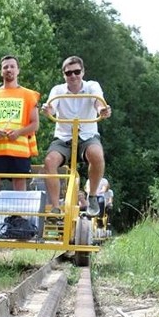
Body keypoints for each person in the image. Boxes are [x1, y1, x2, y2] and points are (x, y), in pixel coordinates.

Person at [41, 56, 111, 217]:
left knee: (97, 154)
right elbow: (51, 107)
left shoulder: (92, 86)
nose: (73, 76)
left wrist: (102, 110)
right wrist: (48, 111)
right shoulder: (58, 90)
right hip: (64, 137)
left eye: (77, 72)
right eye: (69, 73)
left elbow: (98, 103)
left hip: (87, 134)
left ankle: (92, 195)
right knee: (49, 161)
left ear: (83, 72)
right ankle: (55, 205)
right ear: (64, 75)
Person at [0, 55, 40, 210]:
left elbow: (35, 124)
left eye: (12, 66)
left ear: (18, 70)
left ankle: (20, 223)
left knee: (19, 184)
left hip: (19, 151)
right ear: (1, 72)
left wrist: (19, 132)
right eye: (5, 67)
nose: (9, 70)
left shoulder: (28, 95)